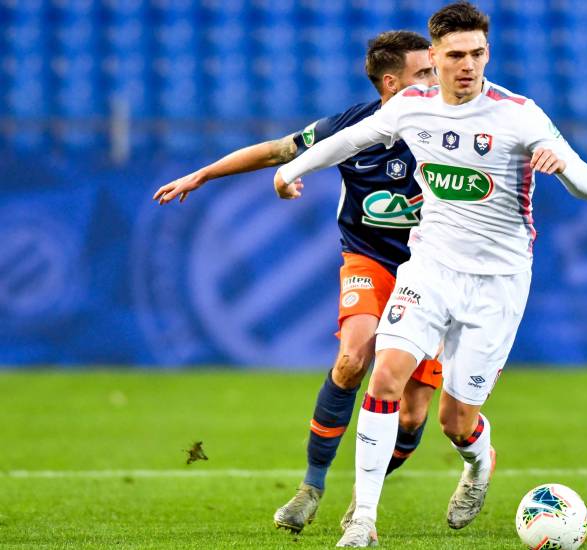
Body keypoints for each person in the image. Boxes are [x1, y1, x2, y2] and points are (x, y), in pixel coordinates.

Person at [273, 2, 587, 546]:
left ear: (486, 53)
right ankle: (363, 521)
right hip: (429, 269)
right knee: (383, 375)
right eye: (455, 55)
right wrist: (290, 170)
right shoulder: (413, 107)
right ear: (437, 57)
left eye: (477, 53)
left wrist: (564, 166)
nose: (467, 65)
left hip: (497, 284)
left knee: (454, 420)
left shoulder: (519, 115)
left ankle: (477, 463)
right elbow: (351, 140)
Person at [153, 31, 442, 534]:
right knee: (353, 357)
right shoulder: (352, 128)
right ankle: (310, 487)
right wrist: (201, 175)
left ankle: (363, 496)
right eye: (424, 73)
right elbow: (275, 152)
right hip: (371, 259)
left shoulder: (454, 125)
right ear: (391, 84)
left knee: (414, 417)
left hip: (438, 271)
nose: (435, 81)